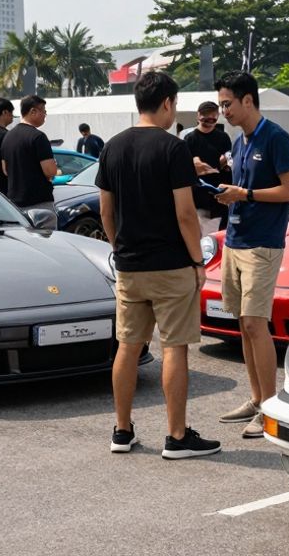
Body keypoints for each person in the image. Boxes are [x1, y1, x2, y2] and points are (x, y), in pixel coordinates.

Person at [97, 72, 220, 459]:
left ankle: (121, 430)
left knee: (128, 347)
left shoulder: (112, 147)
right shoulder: (173, 148)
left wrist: (120, 247)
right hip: (170, 265)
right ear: (166, 103)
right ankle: (177, 436)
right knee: (175, 349)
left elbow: (106, 210)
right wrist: (198, 261)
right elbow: (186, 214)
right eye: (176, 104)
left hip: (130, 266)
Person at [213, 71, 289, 439]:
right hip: (235, 239)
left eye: (227, 104)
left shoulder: (277, 137)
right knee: (242, 326)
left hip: (263, 242)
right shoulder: (239, 141)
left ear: (248, 100)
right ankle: (256, 398)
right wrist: (224, 183)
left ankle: (269, 406)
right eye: (220, 105)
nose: (222, 112)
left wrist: (245, 195)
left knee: (254, 323)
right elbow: (244, 184)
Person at [0, 95, 57, 216]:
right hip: (38, 203)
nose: (45, 116)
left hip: (14, 204)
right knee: (46, 235)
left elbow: (5, 170)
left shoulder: (7, 137)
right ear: (33, 111)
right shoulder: (38, 136)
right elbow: (50, 171)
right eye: (44, 111)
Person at [185, 101, 232, 236]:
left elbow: (229, 158)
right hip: (199, 196)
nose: (210, 120)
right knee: (202, 236)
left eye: (213, 117)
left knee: (221, 235)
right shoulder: (190, 139)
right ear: (198, 116)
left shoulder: (223, 137)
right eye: (206, 117)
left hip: (220, 196)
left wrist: (226, 163)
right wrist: (194, 164)